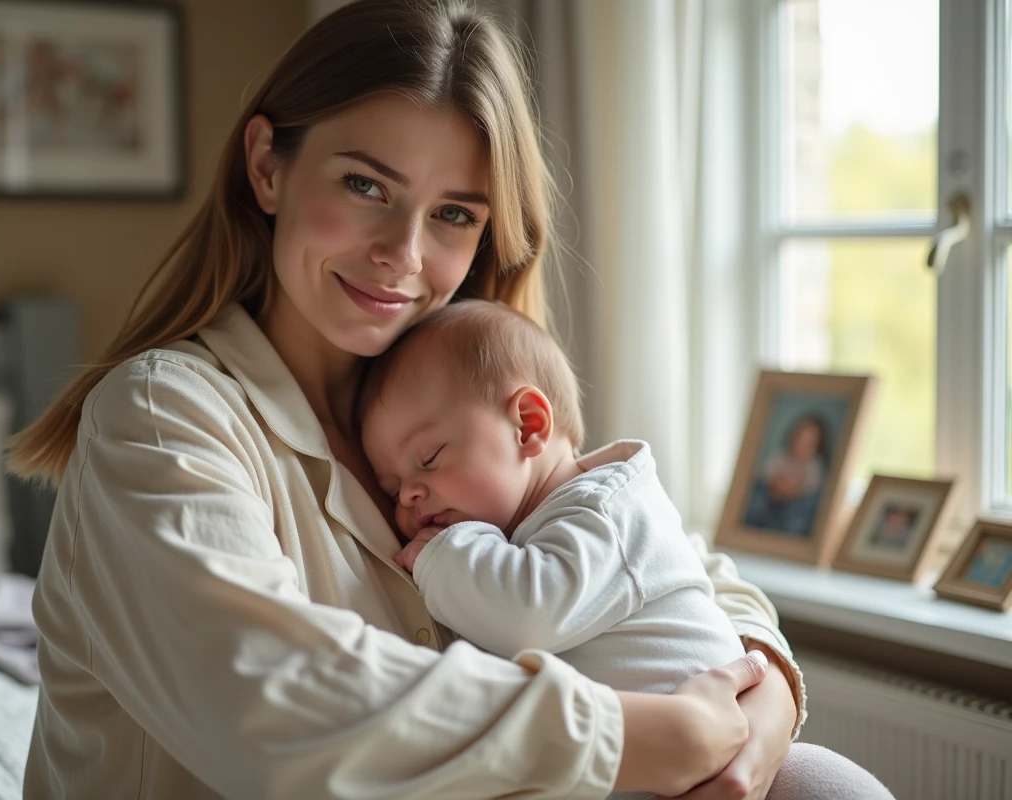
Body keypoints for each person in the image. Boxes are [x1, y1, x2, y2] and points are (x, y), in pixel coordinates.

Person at [8, 2, 808, 797]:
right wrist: (637, 737)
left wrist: (765, 685)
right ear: (267, 167)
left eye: (454, 213)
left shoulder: (456, 405)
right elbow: (270, 703)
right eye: (365, 184)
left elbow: (662, 550)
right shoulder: (160, 417)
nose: (404, 253)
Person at [359, 300, 894, 800]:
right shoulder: (550, 521)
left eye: (428, 458)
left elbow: (528, 615)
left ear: (529, 425)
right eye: (390, 487)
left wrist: (444, 553)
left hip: (720, 763)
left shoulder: (601, 513)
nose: (408, 496)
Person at [744, 414, 830, 537]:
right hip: (772, 498)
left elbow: (810, 486)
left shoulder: (814, 466)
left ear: (817, 446)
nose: (802, 445)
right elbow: (768, 475)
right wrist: (777, 486)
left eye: (809, 442)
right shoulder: (780, 457)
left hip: (795, 505)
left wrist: (792, 489)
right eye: (801, 438)